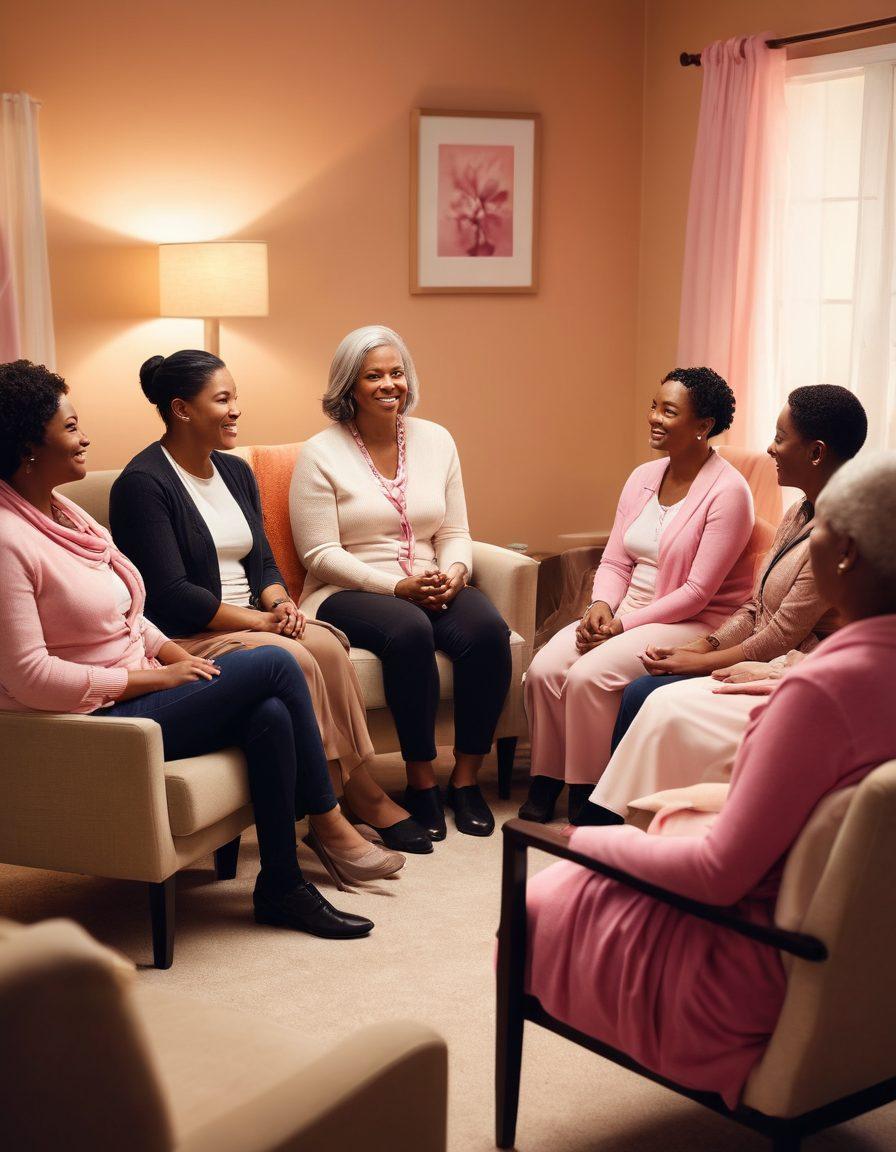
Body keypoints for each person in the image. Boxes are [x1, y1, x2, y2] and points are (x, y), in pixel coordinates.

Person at [523, 449, 896, 1108]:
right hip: (873, 956)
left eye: (824, 534)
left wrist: (576, 844)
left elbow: (718, 873)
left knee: (542, 892)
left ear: (846, 558)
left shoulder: (817, 694)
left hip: (763, 964)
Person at [0, 359, 386, 936]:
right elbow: (29, 677)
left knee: (271, 708)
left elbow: (130, 611)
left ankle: (282, 884)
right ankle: (327, 816)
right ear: (29, 446)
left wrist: (173, 656)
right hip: (96, 719)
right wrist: (151, 680)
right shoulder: (9, 541)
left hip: (138, 689)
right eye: (72, 427)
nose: (86, 438)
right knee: (278, 665)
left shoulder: (67, 514)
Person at [110, 349, 428, 863]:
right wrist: (260, 621)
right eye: (223, 399)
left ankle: (359, 786)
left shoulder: (234, 472)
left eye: (235, 397)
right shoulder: (144, 484)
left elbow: (263, 563)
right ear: (181, 409)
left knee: (322, 643)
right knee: (298, 657)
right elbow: (171, 595)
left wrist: (280, 604)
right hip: (194, 633)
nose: (236, 410)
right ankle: (333, 810)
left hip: (256, 619)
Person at [580, 384, 868, 825]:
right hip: (768, 650)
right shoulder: (798, 513)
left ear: (816, 453)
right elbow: (755, 609)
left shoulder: (838, 533)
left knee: (648, 694)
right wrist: (706, 644)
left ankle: (611, 822)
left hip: (799, 663)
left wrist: (696, 663)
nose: (769, 448)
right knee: (642, 691)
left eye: (780, 436)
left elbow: (782, 634)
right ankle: (616, 817)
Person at [290, 325, 512, 839]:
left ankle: (464, 780)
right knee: (408, 629)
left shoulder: (437, 440)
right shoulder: (320, 453)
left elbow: (455, 530)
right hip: (350, 591)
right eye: (374, 375)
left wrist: (456, 572)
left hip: (431, 581)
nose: (390, 384)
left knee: (486, 631)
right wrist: (395, 588)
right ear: (349, 386)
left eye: (397, 372)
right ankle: (420, 783)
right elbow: (319, 554)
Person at [520, 367, 755, 824]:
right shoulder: (643, 476)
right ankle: (547, 776)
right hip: (622, 612)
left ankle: (590, 790)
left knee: (589, 677)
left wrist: (619, 628)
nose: (654, 417)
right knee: (543, 669)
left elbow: (696, 591)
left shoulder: (729, 493)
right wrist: (600, 608)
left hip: (694, 620)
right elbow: (614, 561)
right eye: (654, 406)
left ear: (703, 426)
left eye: (669, 411)